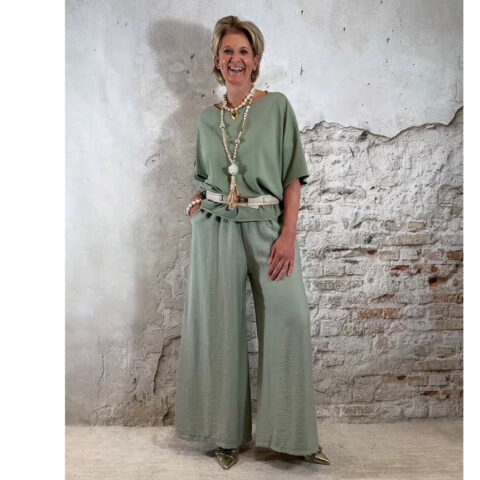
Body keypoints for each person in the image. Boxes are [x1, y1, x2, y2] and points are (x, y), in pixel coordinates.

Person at [174, 15, 331, 470]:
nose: (235, 58)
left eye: (244, 51)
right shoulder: (208, 119)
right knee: (218, 328)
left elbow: (292, 177)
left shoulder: (277, 107)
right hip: (216, 228)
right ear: (216, 61)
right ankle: (224, 436)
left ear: (256, 60)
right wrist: (198, 202)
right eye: (227, 51)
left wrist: (288, 234)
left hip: (268, 227)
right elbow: (204, 175)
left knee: (290, 318)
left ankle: (294, 439)